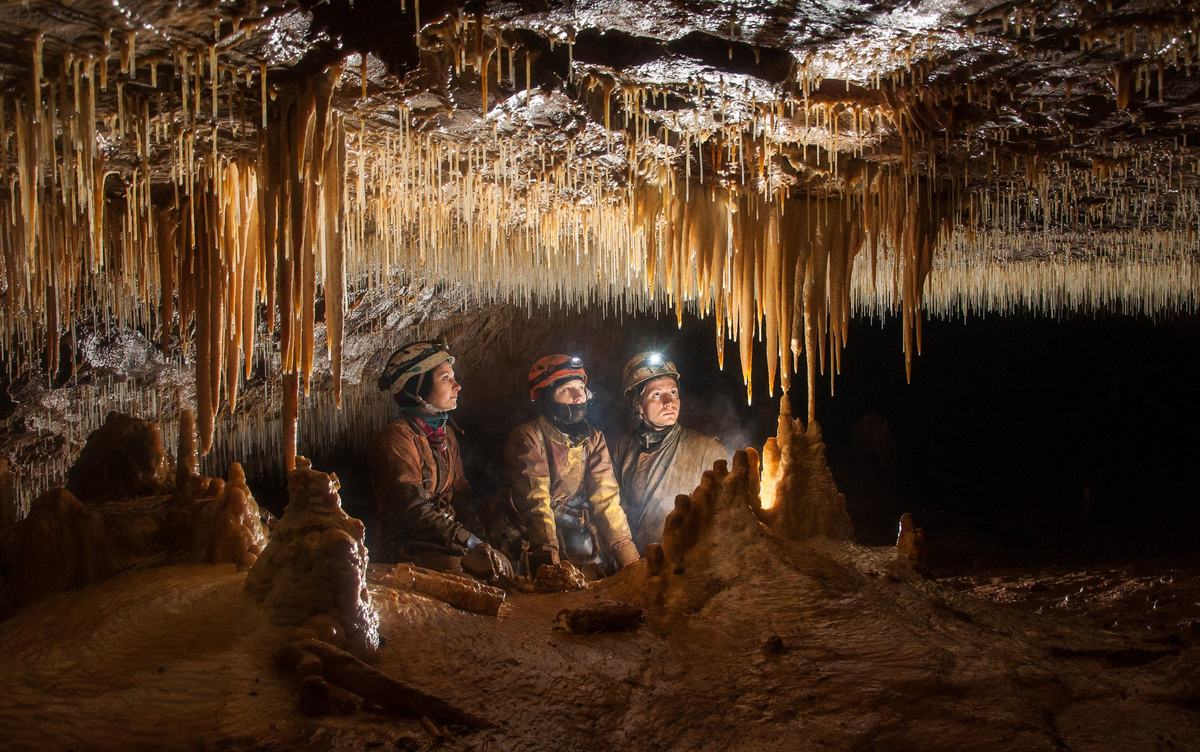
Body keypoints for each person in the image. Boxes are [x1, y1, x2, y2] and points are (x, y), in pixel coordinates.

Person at [371, 340, 512, 583]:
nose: (457, 386)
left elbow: (461, 497)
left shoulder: (446, 435)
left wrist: (483, 543)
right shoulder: (397, 437)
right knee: (466, 579)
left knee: (502, 568)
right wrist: (466, 540)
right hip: (409, 546)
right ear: (418, 387)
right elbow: (413, 510)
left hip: (446, 539)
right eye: (445, 378)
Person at [504, 354, 640, 578]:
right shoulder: (528, 437)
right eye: (567, 390)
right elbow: (536, 503)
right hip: (528, 538)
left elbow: (605, 500)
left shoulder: (594, 439)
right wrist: (548, 563)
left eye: (581, 388)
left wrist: (630, 559)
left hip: (576, 534)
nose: (579, 398)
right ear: (547, 396)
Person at [611, 352, 728, 554]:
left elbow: (728, 516)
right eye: (656, 394)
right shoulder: (621, 448)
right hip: (631, 565)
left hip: (685, 564)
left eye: (673, 392)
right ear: (637, 404)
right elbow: (607, 507)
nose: (668, 402)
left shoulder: (707, 449)